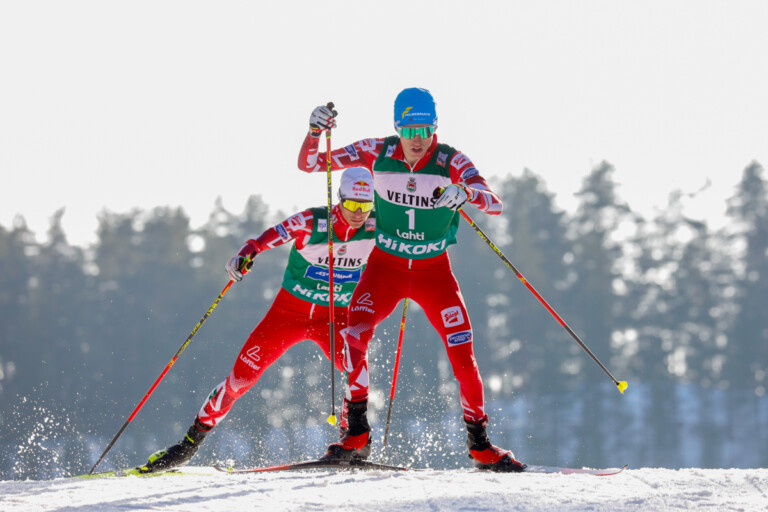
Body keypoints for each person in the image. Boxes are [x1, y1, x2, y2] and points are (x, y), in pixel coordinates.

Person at [297, 88, 526, 472]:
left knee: (463, 356)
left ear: (434, 127)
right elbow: (310, 164)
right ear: (397, 128)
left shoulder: (450, 159)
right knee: (352, 337)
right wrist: (314, 131)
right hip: (383, 269)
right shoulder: (376, 151)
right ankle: (356, 433)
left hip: (433, 273)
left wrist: (465, 191)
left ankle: (481, 445)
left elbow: (495, 202)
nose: (417, 138)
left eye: (424, 128)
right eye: (409, 129)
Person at [138, 167, 377, 473]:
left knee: (356, 363)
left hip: (335, 318)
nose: (358, 213)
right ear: (339, 199)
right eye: (352, 205)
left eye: (365, 205)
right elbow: (272, 235)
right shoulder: (313, 221)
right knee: (239, 381)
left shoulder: (377, 226)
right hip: (289, 315)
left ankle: (352, 437)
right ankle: (187, 446)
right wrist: (248, 251)